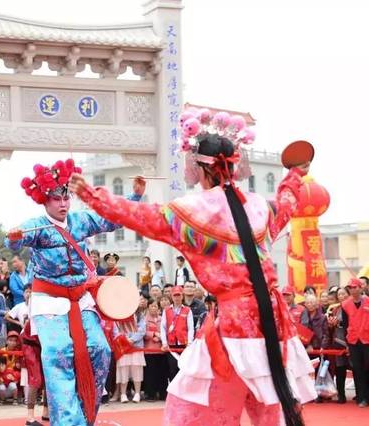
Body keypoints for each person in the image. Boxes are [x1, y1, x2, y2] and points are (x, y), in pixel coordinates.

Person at [70, 110, 316, 425]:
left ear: (202, 169)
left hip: (233, 325)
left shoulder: (194, 212)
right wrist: (294, 174)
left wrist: (95, 196)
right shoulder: (258, 207)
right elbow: (287, 205)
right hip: (274, 319)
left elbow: (143, 217)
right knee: (269, 405)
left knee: (195, 408)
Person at [5, 158, 143, 425]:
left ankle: (85, 413)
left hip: (80, 299)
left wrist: (135, 197)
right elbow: (15, 241)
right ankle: (67, 421)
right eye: (56, 199)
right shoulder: (37, 226)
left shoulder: (81, 221)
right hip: (49, 302)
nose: (63, 203)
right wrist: (13, 238)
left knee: (100, 350)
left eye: (66, 197)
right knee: (57, 351)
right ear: (45, 201)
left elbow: (111, 218)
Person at [341, 278, 369, 407]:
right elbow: (345, 324)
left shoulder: (368, 301)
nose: (353, 290)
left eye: (355, 287)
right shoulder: (345, 304)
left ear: (361, 288)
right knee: (357, 370)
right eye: (350, 287)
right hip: (353, 341)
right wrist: (347, 342)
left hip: (367, 339)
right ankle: (361, 397)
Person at [159, 286, 194, 381]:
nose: (177, 298)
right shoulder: (166, 310)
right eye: (175, 295)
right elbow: (163, 327)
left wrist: (190, 342)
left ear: (182, 296)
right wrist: (164, 343)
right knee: (172, 370)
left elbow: (190, 328)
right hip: (171, 346)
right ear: (172, 297)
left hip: (184, 345)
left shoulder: (187, 310)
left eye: (179, 295)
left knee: (183, 370)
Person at [112, 309, 146, 403]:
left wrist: (132, 340)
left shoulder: (139, 314)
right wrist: (125, 340)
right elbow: (115, 331)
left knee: (137, 369)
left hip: (137, 346)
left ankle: (137, 393)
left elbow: (142, 330)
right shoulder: (117, 314)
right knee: (123, 369)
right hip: (123, 346)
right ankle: (123, 394)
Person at [327, 286, 351, 403]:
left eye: (344, 294)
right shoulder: (335, 309)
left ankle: (361, 395)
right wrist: (331, 324)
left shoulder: (353, 306)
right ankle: (341, 395)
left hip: (352, 341)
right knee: (340, 369)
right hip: (338, 341)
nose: (342, 296)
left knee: (357, 369)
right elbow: (330, 327)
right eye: (339, 294)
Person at [144, 297, 168, 401]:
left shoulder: (162, 318)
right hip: (149, 350)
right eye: (152, 306)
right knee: (150, 373)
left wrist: (160, 336)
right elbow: (142, 332)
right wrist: (152, 334)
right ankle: (150, 394)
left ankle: (162, 393)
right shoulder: (144, 319)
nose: (154, 308)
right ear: (148, 307)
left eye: (156, 306)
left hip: (161, 349)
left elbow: (166, 330)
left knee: (162, 373)